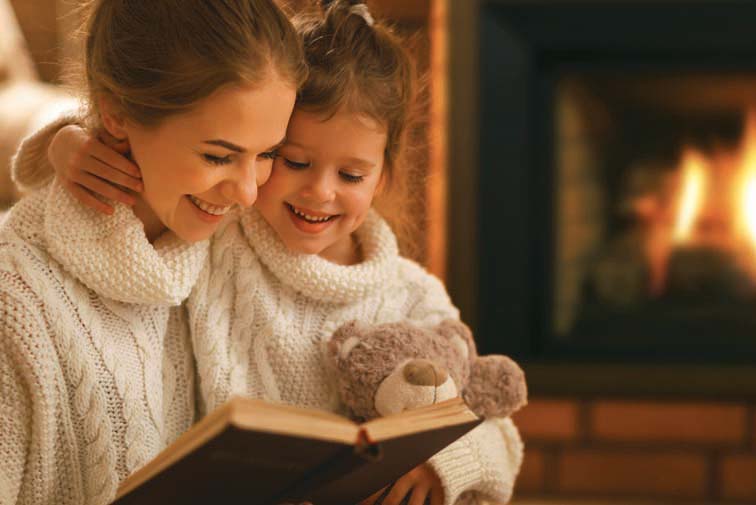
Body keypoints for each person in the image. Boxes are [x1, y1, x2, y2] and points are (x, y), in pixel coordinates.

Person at [14, 2, 524, 505]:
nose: (318, 192)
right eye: (292, 161)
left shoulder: (411, 292)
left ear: (383, 177)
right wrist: (67, 142)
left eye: (351, 175)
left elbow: (490, 417)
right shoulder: (222, 240)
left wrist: (445, 462)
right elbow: (151, 151)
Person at [0, 1, 306, 503]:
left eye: (268, 153)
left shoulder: (241, 237)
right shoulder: (18, 301)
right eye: (218, 156)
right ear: (116, 115)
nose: (249, 193)